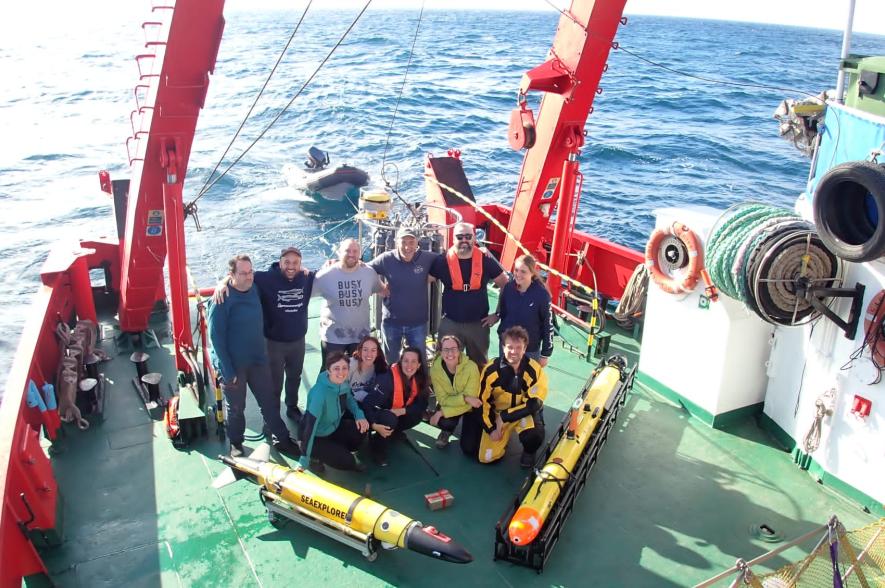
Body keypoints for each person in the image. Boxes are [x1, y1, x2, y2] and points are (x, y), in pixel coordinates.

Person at [208, 254, 301, 458]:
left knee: (269, 402)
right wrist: (227, 369)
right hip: (234, 366)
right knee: (236, 408)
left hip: (258, 361)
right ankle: (236, 443)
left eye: (250, 272)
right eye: (243, 273)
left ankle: (283, 439)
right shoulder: (222, 299)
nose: (249, 276)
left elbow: (276, 274)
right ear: (231, 275)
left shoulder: (255, 288)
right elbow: (215, 338)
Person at [212, 246, 314, 422]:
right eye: (287, 262)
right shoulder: (265, 278)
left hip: (298, 341)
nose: (291, 266)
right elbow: (240, 275)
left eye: (296, 263)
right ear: (279, 262)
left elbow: (329, 270)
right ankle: (272, 418)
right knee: (274, 383)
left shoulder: (306, 277)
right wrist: (222, 283)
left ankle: (291, 407)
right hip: (274, 343)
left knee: (294, 377)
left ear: (301, 264)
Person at [430, 222, 509, 366]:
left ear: (474, 238)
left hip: (478, 324)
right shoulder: (441, 261)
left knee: (479, 365)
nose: (464, 240)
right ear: (453, 239)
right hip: (450, 322)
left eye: (468, 236)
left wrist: (497, 314)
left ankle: (478, 389)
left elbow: (505, 284)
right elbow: (423, 280)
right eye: (460, 237)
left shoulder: (486, 261)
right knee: (444, 363)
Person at [477, 326, 548, 467]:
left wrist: (504, 417)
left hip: (521, 414)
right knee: (486, 458)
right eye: (509, 347)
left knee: (534, 436)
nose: (514, 351)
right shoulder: (491, 370)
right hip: (497, 416)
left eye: (518, 347)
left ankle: (529, 452)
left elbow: (534, 404)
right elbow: (482, 402)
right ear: (503, 347)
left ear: (525, 348)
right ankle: (503, 439)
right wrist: (491, 429)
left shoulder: (534, 369)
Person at [369, 227, 439, 362]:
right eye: (403, 242)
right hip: (391, 323)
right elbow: (366, 270)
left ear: (417, 242)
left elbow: (447, 260)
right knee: (391, 361)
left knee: (419, 360)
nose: (407, 247)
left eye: (411, 242)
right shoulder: (386, 258)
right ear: (396, 242)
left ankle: (420, 383)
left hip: (418, 324)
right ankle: (394, 383)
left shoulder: (427, 257)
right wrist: (379, 287)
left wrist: (434, 274)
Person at [313, 238, 383, 367]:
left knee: (358, 371)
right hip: (333, 336)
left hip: (360, 336)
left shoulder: (369, 272)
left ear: (360, 254)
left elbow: (382, 290)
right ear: (339, 253)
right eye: (347, 251)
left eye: (355, 251)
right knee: (329, 372)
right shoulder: (325, 275)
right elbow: (305, 294)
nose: (351, 254)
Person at [299, 352, 370, 473]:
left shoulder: (343, 383)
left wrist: (359, 415)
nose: (341, 373)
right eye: (336, 368)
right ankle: (314, 458)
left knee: (361, 429)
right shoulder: (319, 393)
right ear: (328, 370)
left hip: (333, 428)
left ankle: (340, 450)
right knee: (347, 462)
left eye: (344, 368)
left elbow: (349, 399)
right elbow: (310, 427)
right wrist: (303, 460)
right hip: (316, 436)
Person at [361, 347, 429, 466]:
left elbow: (422, 404)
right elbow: (367, 404)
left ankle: (393, 432)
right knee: (390, 419)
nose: (409, 365)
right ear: (400, 362)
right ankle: (377, 447)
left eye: (414, 361)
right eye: (406, 361)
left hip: (397, 412)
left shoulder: (420, 379)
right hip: (377, 415)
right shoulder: (387, 379)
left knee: (416, 415)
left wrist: (403, 411)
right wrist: (373, 424)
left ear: (418, 365)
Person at [487, 254, 554, 366]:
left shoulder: (541, 295)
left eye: (523, 271)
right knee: (505, 379)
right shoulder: (508, 288)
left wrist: (545, 354)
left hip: (529, 350)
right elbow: (503, 311)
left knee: (526, 382)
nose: (518, 274)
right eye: (516, 270)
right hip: (507, 347)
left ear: (532, 273)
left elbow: (548, 325)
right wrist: (497, 315)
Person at [428, 335, 482, 451]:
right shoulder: (435, 370)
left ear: (459, 350)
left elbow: (472, 402)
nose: (450, 353)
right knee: (445, 422)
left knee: (469, 448)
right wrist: (465, 398)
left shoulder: (471, 367)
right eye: (446, 350)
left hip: (471, 408)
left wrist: (442, 412)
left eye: (453, 349)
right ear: (441, 352)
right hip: (457, 403)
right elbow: (442, 399)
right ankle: (446, 431)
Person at [349, 335, 388, 402]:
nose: (369, 354)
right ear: (360, 351)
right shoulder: (350, 364)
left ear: (377, 353)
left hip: (367, 402)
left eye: (373, 350)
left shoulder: (379, 366)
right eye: (365, 350)